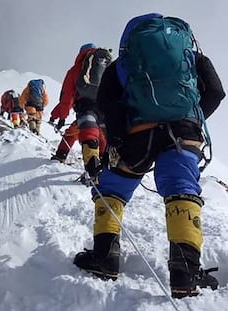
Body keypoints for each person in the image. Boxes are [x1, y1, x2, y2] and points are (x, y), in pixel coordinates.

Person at [73, 13, 225, 299]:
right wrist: (192, 119)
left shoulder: (124, 63)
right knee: (182, 190)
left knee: (113, 190)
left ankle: (105, 258)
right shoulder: (192, 58)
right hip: (184, 134)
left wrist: (118, 138)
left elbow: (106, 102)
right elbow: (216, 92)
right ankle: (186, 274)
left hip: (138, 136)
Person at [49, 43, 111, 181]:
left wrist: (61, 117)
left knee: (83, 134)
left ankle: (89, 169)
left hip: (86, 106)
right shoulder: (107, 66)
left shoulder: (76, 69)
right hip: (106, 107)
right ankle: (104, 168)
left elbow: (66, 97)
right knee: (103, 137)